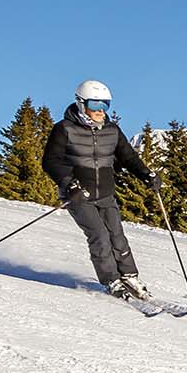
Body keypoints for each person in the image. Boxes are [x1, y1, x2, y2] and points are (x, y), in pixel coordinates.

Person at [41, 79, 159, 300]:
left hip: (105, 193)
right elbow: (51, 161)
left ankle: (129, 276)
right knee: (99, 235)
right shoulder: (64, 129)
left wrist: (146, 174)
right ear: (80, 103)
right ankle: (111, 280)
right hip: (78, 195)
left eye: (105, 105)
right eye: (95, 105)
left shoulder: (112, 131)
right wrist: (69, 183)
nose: (100, 111)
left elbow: (128, 157)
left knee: (117, 235)